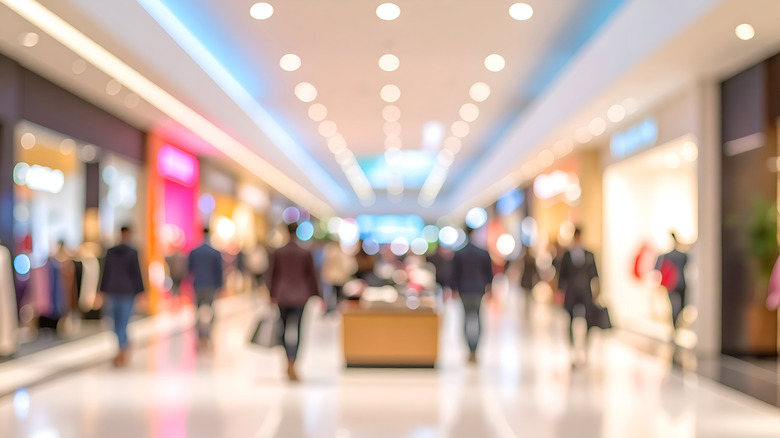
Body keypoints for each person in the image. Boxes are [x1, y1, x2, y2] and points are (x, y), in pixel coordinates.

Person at [267, 223, 320, 381]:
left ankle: (287, 360)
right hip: (300, 296)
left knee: (282, 329)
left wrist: (271, 294)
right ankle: (293, 362)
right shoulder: (305, 252)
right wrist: (317, 295)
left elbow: (272, 275)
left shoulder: (278, 252)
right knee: (298, 330)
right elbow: (312, 275)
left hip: (282, 295)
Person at [100, 226, 144, 367]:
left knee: (119, 323)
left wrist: (141, 291)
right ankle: (123, 347)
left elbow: (135, 272)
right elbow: (107, 272)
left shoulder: (121, 252)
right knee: (118, 323)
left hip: (120, 291)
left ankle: (122, 351)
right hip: (120, 291)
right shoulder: (121, 252)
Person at [450, 226, 494, 364]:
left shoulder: (459, 253)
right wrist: (490, 287)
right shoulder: (482, 252)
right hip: (478, 289)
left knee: (465, 318)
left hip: (464, 289)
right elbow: (489, 273)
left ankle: (469, 350)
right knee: (478, 318)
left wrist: (453, 289)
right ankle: (475, 350)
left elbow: (454, 274)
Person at [557, 228, 600, 366]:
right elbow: (562, 276)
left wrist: (597, 290)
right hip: (571, 292)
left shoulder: (589, 254)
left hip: (585, 292)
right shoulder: (567, 255)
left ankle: (585, 350)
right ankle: (572, 350)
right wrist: (560, 292)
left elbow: (595, 273)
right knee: (570, 321)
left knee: (588, 321)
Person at [188, 228, 223, 349]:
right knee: (211, 311)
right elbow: (219, 271)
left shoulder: (194, 251)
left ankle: (200, 337)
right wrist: (220, 286)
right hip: (211, 285)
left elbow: (190, 270)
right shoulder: (215, 252)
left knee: (197, 312)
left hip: (197, 284)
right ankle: (208, 336)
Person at [655, 232, 688, 332]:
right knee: (681, 305)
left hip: (672, 284)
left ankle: (675, 325)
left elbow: (657, 268)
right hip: (680, 283)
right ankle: (675, 325)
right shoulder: (682, 255)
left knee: (674, 306)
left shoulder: (665, 256)